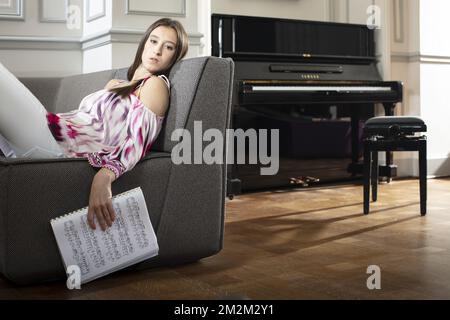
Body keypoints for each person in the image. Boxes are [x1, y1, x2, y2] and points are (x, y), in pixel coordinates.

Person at [0, 18, 188, 231]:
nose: (158, 50)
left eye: (169, 47)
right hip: (55, 129)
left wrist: (106, 175)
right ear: (144, 43)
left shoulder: (154, 85)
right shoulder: (115, 84)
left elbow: (137, 140)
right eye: (154, 41)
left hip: (57, 145)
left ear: (175, 55)